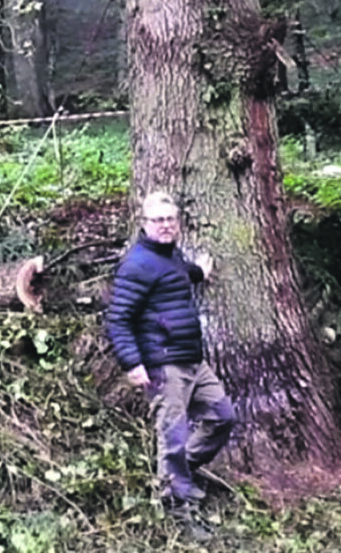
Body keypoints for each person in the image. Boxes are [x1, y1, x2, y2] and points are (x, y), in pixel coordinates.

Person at [106, 191, 235, 538]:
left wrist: (198, 273)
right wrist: (132, 363)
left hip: (192, 360)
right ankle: (179, 513)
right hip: (163, 366)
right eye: (158, 220)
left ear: (178, 223)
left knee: (223, 416)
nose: (165, 225)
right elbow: (118, 319)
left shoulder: (169, 255)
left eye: (170, 219)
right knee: (173, 437)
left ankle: (182, 473)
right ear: (145, 224)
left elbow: (175, 276)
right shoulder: (138, 264)